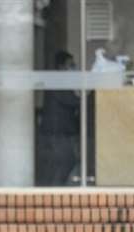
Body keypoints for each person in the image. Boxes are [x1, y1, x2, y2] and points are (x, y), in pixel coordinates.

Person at [37, 51, 81, 186]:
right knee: (66, 161)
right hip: (57, 132)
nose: (74, 68)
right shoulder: (58, 83)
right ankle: (55, 188)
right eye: (71, 65)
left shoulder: (61, 82)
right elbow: (73, 101)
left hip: (59, 132)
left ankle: (54, 188)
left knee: (60, 163)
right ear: (61, 67)